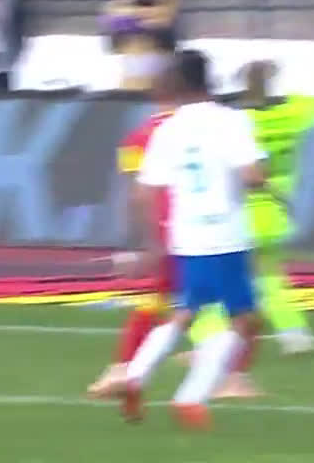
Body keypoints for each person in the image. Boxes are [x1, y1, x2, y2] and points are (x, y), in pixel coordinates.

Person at [116, 49, 267, 431]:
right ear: (208, 79)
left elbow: (144, 192)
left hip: (186, 236)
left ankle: (135, 375)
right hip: (226, 234)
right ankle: (192, 396)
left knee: (184, 312)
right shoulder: (232, 121)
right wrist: (262, 175)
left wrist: (152, 244)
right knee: (245, 320)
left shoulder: (168, 129)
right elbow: (252, 175)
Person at [187, 60, 314, 381]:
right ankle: (295, 335)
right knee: (270, 278)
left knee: (219, 280)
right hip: (276, 212)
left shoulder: (235, 122)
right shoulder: (293, 114)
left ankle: (207, 340)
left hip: (238, 212)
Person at [86, 68, 181, 398]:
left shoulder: (137, 137)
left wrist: (140, 240)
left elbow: (135, 191)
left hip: (165, 226)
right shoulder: (200, 129)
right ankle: (125, 369)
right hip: (199, 227)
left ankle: (124, 369)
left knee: (168, 299)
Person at [102, 0, 180, 92]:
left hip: (162, 79)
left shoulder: (164, 4)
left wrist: (140, 18)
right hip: (132, 82)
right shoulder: (119, 8)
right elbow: (113, 31)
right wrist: (137, 18)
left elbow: (165, 24)